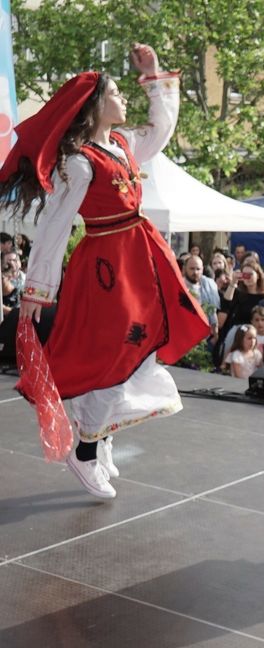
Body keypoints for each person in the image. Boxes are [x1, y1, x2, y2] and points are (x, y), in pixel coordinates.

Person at [0, 45, 209, 498]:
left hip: (138, 259)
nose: (123, 100)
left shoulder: (122, 144)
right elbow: (55, 226)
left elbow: (162, 129)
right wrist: (37, 290)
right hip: (106, 270)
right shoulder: (78, 162)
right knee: (114, 353)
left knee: (136, 348)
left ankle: (101, 435)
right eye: (117, 93)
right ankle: (86, 452)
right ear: (96, 106)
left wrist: (154, 78)